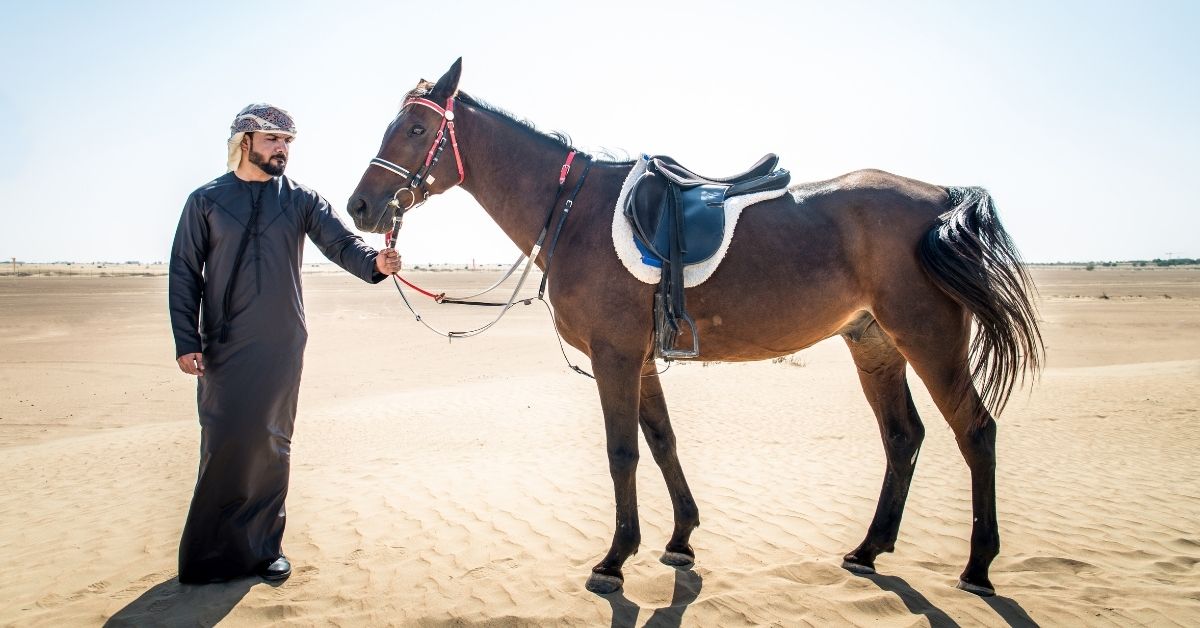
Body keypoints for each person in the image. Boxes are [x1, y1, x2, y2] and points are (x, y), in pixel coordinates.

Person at [169, 103, 401, 584]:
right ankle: (208, 557)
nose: (282, 149)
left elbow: (342, 245)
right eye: (273, 139)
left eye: (288, 142)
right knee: (224, 440)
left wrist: (375, 265)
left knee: (273, 443)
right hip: (222, 343)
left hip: (281, 341)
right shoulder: (206, 200)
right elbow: (185, 272)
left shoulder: (300, 200)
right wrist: (186, 339)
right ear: (245, 141)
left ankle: (262, 551)